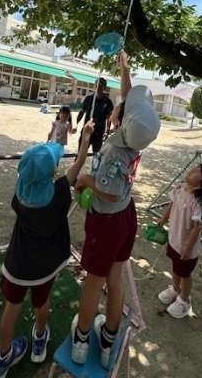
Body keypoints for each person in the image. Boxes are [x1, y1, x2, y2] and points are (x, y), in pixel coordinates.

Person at [71, 52, 160, 369]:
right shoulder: (134, 140)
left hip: (107, 220)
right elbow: (130, 100)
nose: (118, 104)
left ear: (120, 120)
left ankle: (82, 339)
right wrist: (125, 69)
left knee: (93, 282)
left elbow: (109, 192)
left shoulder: (113, 150)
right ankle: (108, 341)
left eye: (121, 108)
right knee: (115, 279)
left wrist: (86, 181)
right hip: (126, 216)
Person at [0, 121, 95, 378]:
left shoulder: (20, 191)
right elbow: (79, 164)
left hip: (18, 263)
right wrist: (85, 140)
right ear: (53, 170)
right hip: (44, 266)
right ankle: (39, 340)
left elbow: (34, 173)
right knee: (42, 302)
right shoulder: (59, 192)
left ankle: (3, 357)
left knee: (11, 307)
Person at [157, 164, 202, 318]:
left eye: (198, 171)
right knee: (176, 268)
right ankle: (175, 289)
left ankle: (184, 301)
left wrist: (187, 248)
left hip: (186, 248)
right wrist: (164, 218)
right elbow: (171, 205)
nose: (193, 170)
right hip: (174, 240)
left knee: (185, 274)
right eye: (194, 168)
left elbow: (196, 228)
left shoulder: (199, 203)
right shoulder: (180, 189)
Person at [76, 78, 113, 154]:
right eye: (97, 85)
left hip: (99, 133)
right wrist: (75, 124)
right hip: (86, 131)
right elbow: (81, 112)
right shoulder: (88, 98)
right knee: (80, 153)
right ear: (94, 86)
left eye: (101, 86)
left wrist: (107, 131)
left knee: (96, 155)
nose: (98, 87)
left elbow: (109, 118)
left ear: (105, 87)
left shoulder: (108, 102)